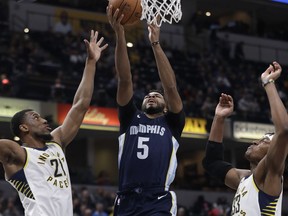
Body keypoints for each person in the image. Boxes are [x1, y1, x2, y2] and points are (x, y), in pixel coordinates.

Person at [0, 30, 108, 216]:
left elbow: (81, 105)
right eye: (35, 117)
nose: (43, 120)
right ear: (23, 128)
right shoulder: (17, 153)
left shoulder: (56, 142)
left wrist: (90, 63)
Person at [107, 6, 185, 216]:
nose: (151, 95)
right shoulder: (130, 118)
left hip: (157, 198)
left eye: (156, 95)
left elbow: (170, 87)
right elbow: (124, 79)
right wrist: (120, 35)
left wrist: (155, 43)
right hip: (125, 198)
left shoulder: (172, 123)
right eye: (148, 95)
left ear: (166, 105)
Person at [202, 61, 287, 215]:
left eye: (264, 141)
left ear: (274, 151)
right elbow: (211, 162)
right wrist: (219, 119)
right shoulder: (245, 178)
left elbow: (283, 130)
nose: (255, 142)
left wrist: (268, 83)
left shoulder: (270, 174)